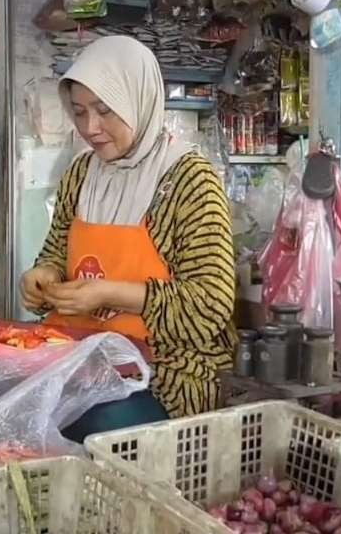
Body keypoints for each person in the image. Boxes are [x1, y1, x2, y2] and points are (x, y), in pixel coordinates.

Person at [21, 36, 236, 430]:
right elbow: (54, 253)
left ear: (139, 99)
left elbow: (211, 306)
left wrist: (110, 293)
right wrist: (43, 277)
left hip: (165, 377)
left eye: (105, 111)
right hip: (82, 359)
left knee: (85, 430)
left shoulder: (189, 181)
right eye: (81, 112)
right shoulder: (82, 173)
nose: (91, 128)